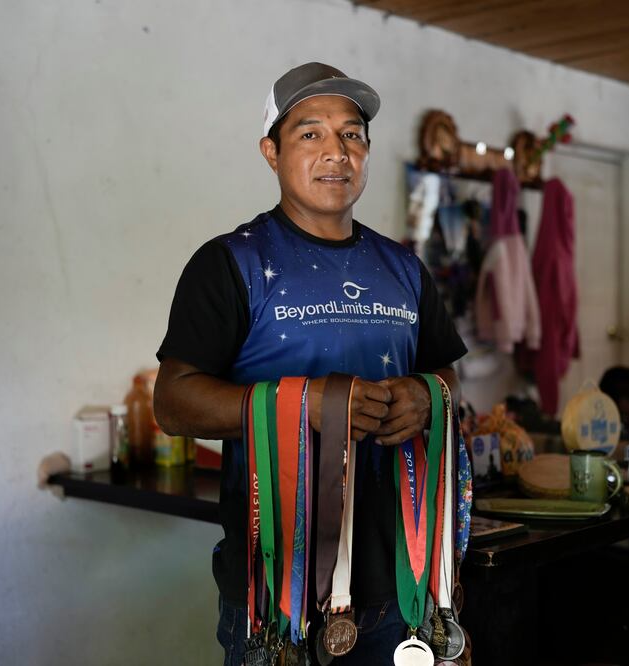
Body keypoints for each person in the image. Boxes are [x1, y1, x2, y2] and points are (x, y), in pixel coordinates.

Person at [152, 62, 467, 665]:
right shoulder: (230, 264)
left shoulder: (404, 267)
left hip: (405, 585)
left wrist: (428, 396)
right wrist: (303, 403)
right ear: (270, 153)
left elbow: (447, 374)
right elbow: (173, 402)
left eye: (352, 135)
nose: (336, 152)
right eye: (310, 134)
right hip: (279, 598)